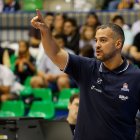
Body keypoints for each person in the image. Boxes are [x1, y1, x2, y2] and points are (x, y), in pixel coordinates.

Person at [31, 10, 140, 140]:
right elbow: (55, 53)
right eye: (96, 40)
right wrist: (45, 31)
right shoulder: (87, 68)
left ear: (118, 44)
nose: (97, 45)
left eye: (103, 40)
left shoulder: (136, 76)